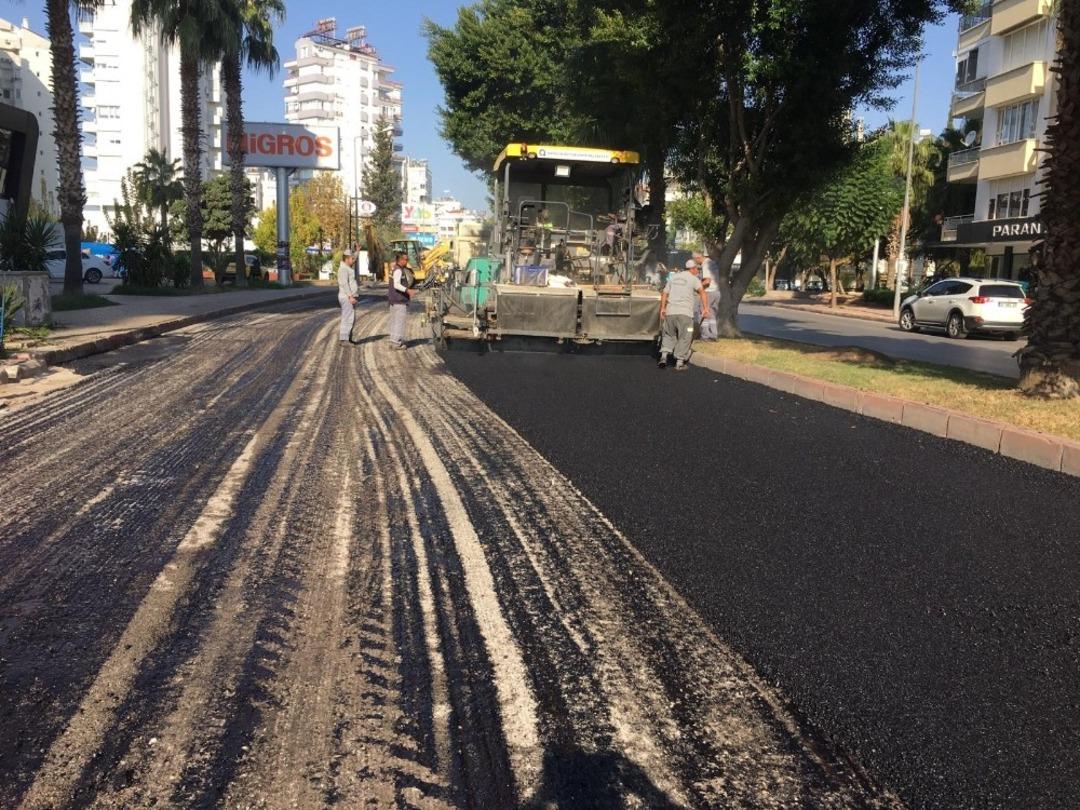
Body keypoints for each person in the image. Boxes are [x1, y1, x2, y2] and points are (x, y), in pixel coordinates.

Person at [659, 259, 709, 371]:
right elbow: (702, 292)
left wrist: (663, 308)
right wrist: (705, 308)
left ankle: (663, 357)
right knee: (685, 336)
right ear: (692, 269)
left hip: (670, 312)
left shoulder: (674, 278)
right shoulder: (694, 279)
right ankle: (679, 362)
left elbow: (665, 293)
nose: (697, 271)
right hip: (685, 314)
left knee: (668, 334)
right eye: (696, 269)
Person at [388, 251, 414, 349]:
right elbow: (396, 285)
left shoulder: (395, 268)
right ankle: (397, 343)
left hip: (394, 299)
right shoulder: (398, 270)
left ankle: (393, 340)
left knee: (394, 321)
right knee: (399, 321)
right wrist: (408, 291)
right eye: (406, 259)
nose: (407, 261)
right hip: (399, 300)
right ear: (401, 260)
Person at [337, 249, 359, 344]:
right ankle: (344, 339)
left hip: (349, 297)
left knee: (351, 318)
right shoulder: (343, 269)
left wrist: (357, 251)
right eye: (352, 258)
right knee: (347, 318)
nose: (354, 260)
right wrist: (350, 296)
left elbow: (353, 258)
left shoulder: (347, 267)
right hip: (346, 297)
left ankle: (348, 338)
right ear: (346, 259)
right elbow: (345, 284)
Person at [698, 273, 719, 341]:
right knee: (711, 315)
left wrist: (699, 285)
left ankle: (705, 335)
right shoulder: (713, 269)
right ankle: (713, 334)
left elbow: (707, 281)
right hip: (715, 291)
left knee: (704, 313)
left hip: (707, 292)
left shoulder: (705, 269)